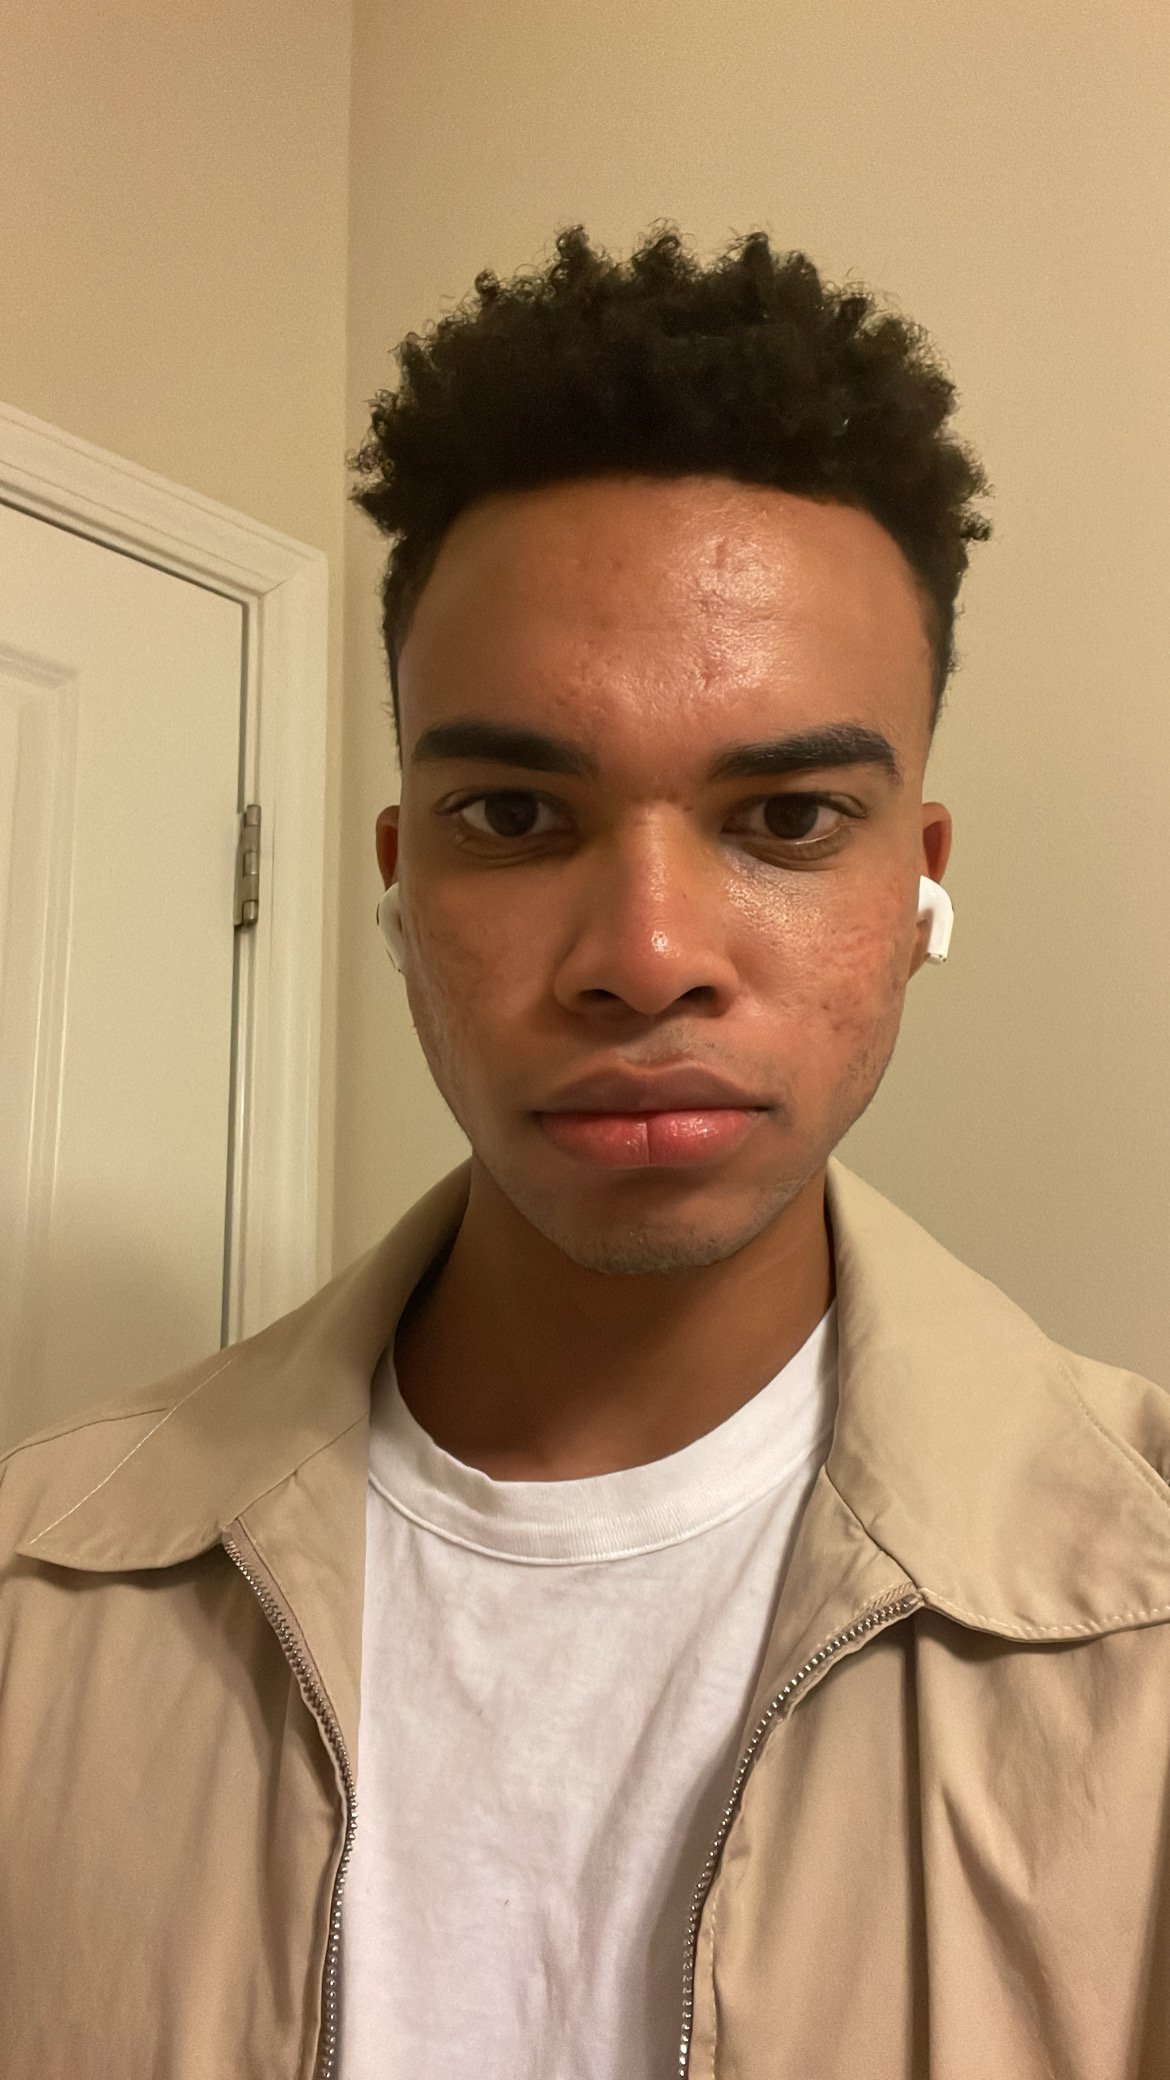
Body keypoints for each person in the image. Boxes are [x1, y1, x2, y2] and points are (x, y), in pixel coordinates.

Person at [2, 226, 1168, 2080]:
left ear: (918, 882)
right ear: (401, 882)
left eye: (788, 817)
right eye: (514, 814)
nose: (644, 955)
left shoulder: (1140, 1612)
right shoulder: (34, 1599)